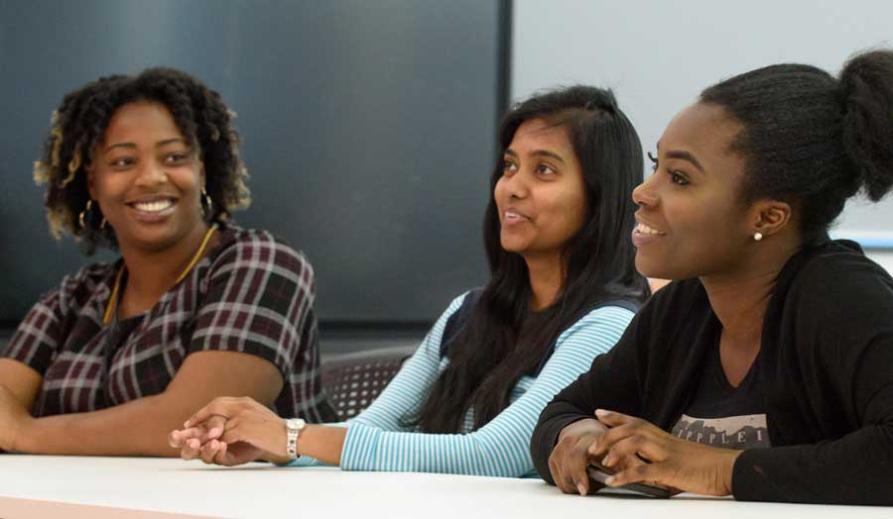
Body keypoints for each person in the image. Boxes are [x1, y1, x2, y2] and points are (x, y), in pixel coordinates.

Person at [169, 86, 650, 476]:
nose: (513, 186)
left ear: (599, 196)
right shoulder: (468, 311)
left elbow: (498, 454)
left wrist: (293, 436)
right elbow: (375, 427)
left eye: (543, 170)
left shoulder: (608, 324)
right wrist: (271, 446)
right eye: (509, 166)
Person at [532, 50, 893, 505]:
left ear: (768, 215)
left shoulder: (843, 298)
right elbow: (564, 412)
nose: (642, 193)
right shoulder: (681, 308)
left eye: (680, 178)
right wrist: (578, 437)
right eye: (656, 164)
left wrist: (712, 468)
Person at [0, 68, 335, 456]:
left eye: (174, 157)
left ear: (202, 171)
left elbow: (191, 423)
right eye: (123, 162)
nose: (152, 177)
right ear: (93, 184)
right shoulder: (72, 299)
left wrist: (23, 434)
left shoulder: (263, 263)